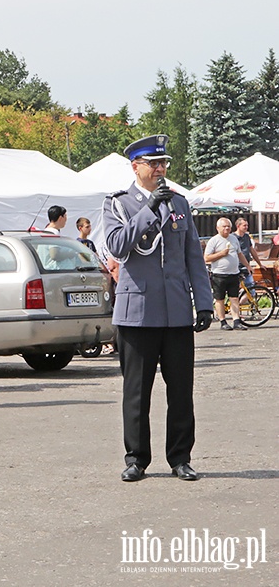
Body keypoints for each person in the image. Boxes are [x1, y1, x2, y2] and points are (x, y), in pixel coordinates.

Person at [103, 134, 213, 483]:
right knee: (137, 392)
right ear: (136, 167)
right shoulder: (118, 204)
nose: (161, 169)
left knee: (181, 391)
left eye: (164, 163)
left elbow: (193, 256)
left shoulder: (180, 203)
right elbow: (118, 245)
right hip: (138, 313)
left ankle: (180, 458)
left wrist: (205, 302)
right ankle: (136, 458)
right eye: (154, 164)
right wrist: (150, 208)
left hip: (176, 311)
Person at [204, 217, 251, 331]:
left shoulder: (233, 239)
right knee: (219, 299)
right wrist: (221, 254)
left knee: (234, 298)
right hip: (219, 274)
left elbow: (240, 254)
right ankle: (223, 321)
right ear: (218, 228)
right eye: (224, 226)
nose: (226, 228)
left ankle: (236, 320)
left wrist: (247, 265)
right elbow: (206, 258)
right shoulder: (214, 241)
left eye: (228, 226)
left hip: (233, 273)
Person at [234, 217, 262, 289]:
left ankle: (239, 301)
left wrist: (260, 264)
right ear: (238, 226)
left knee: (251, 289)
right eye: (244, 225)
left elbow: (252, 250)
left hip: (246, 267)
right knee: (236, 290)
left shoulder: (247, 237)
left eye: (247, 225)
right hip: (236, 267)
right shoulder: (233, 237)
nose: (246, 227)